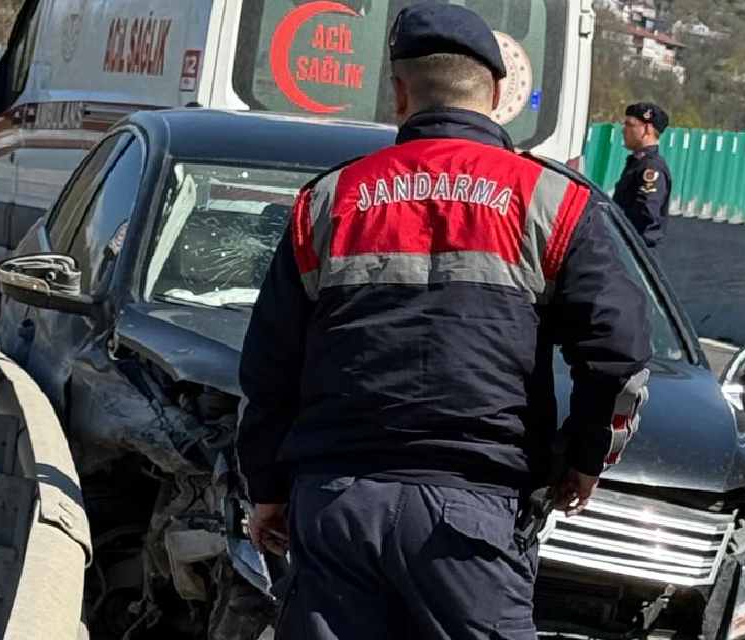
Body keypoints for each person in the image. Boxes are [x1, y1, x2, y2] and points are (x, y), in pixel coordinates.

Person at [235, 3, 653, 639]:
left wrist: (266, 483)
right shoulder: (554, 201)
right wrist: (584, 458)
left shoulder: (326, 201)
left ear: (400, 93)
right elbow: (618, 357)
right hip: (474, 518)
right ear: (499, 93)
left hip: (337, 505)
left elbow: (269, 367)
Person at [613, 102, 673, 248]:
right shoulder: (638, 163)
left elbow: (646, 214)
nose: (623, 130)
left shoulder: (651, 167)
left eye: (629, 125)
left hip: (637, 249)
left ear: (647, 129)